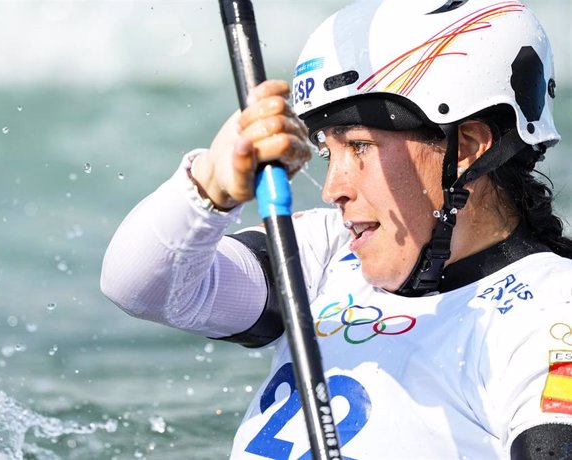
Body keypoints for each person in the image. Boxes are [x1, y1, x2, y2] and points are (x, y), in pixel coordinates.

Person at [101, 0, 572, 457]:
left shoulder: (553, 310)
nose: (332, 189)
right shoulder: (324, 253)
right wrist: (210, 187)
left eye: (360, 147)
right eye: (329, 152)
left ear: (466, 146)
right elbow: (143, 286)